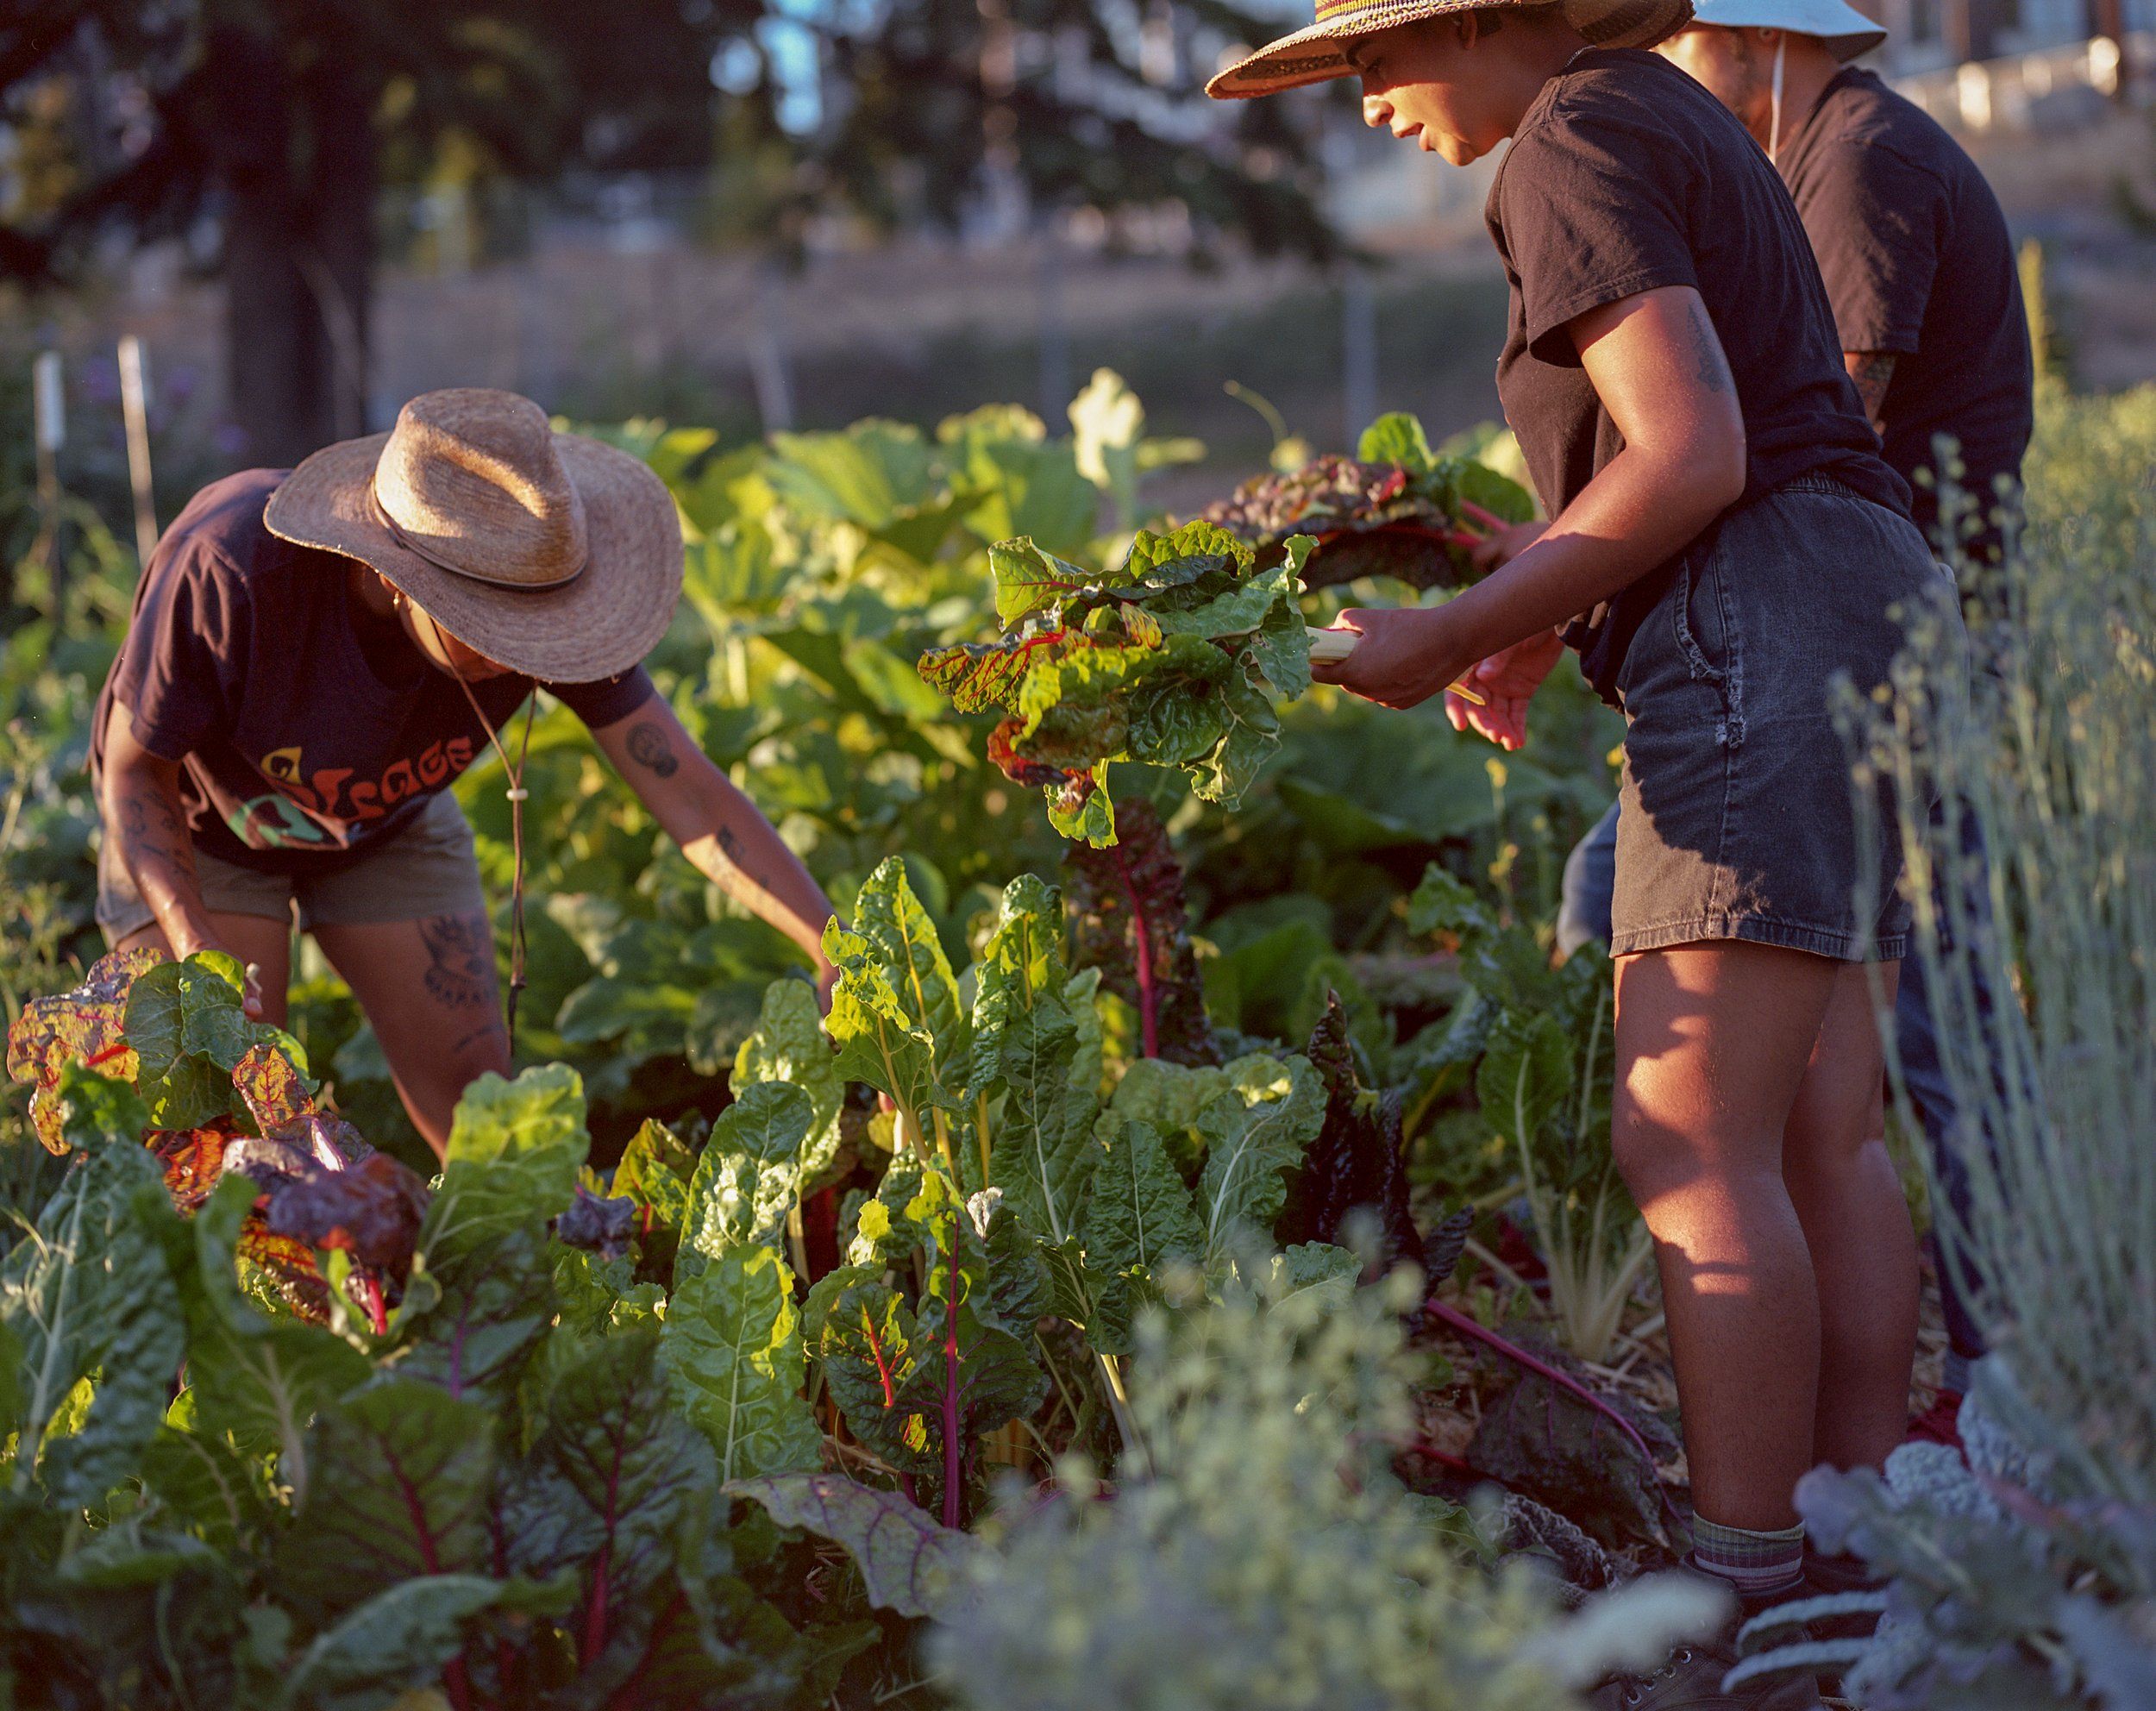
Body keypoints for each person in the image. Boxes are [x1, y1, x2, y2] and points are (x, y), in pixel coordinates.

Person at [1212, 1, 1963, 1703]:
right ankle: (1852, 1552)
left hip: (1754, 626)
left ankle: (1735, 1593)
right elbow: (1718, 421)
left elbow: (1694, 453)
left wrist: (1444, 626)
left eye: (1369, 60)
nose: (1366, 102)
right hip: (1862, 596)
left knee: (1685, 1140)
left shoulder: (1558, 143)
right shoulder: (1655, 111)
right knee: (1817, 1128)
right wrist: (1546, 623)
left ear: (1477, 19)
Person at [1555, 0, 2036, 1441]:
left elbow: (1833, 409)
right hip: (1865, 617)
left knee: (1908, 1036)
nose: (1682, 80)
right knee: (1849, 1070)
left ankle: (1996, 1376)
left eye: (1696, 48)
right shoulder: (1834, 146)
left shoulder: (1860, 154)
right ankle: (1902, 1439)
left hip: (1845, 630)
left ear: (1762, 42)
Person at [94, 387, 837, 1156]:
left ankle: (494, 1272)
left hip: (389, 826)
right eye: (485, 627)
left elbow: (680, 783)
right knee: (228, 1123)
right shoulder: (233, 567)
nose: (520, 654)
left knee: (488, 1131)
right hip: (204, 830)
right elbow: (133, 774)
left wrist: (829, 942)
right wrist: (197, 951)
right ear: (395, 575)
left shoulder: (542, 600)